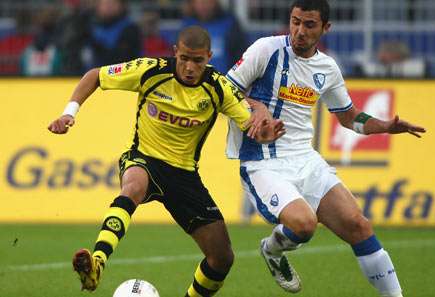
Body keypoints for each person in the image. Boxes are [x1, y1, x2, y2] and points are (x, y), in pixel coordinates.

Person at [47, 25, 284, 296]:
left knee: (222, 258)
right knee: (133, 187)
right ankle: (97, 263)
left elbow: (252, 128)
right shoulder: (150, 70)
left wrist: (267, 133)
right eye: (184, 58)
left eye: (198, 60)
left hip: (184, 175)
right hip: (143, 157)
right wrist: (69, 113)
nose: (190, 67)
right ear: (175, 53)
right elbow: (94, 76)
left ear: (209, 56)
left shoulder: (218, 88)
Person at [225, 1, 426, 296]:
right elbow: (222, 90)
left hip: (305, 159)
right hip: (263, 162)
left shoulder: (327, 67)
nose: (299, 31)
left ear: (325, 28)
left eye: (309, 25)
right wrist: (255, 108)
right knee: (305, 225)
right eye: (295, 22)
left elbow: (348, 116)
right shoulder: (265, 50)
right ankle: (272, 250)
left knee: (359, 225)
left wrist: (385, 126)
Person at [180, 0, 247, 73]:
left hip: (223, 80)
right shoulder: (187, 25)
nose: (203, 6)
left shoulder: (229, 23)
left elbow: (241, 56)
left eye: (207, 2)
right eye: (199, 2)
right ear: (192, 3)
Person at [89, 0, 142, 67]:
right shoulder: (91, 27)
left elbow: (122, 58)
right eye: (105, 4)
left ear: (121, 5)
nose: (108, 7)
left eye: (112, 3)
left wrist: (97, 47)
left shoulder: (130, 28)